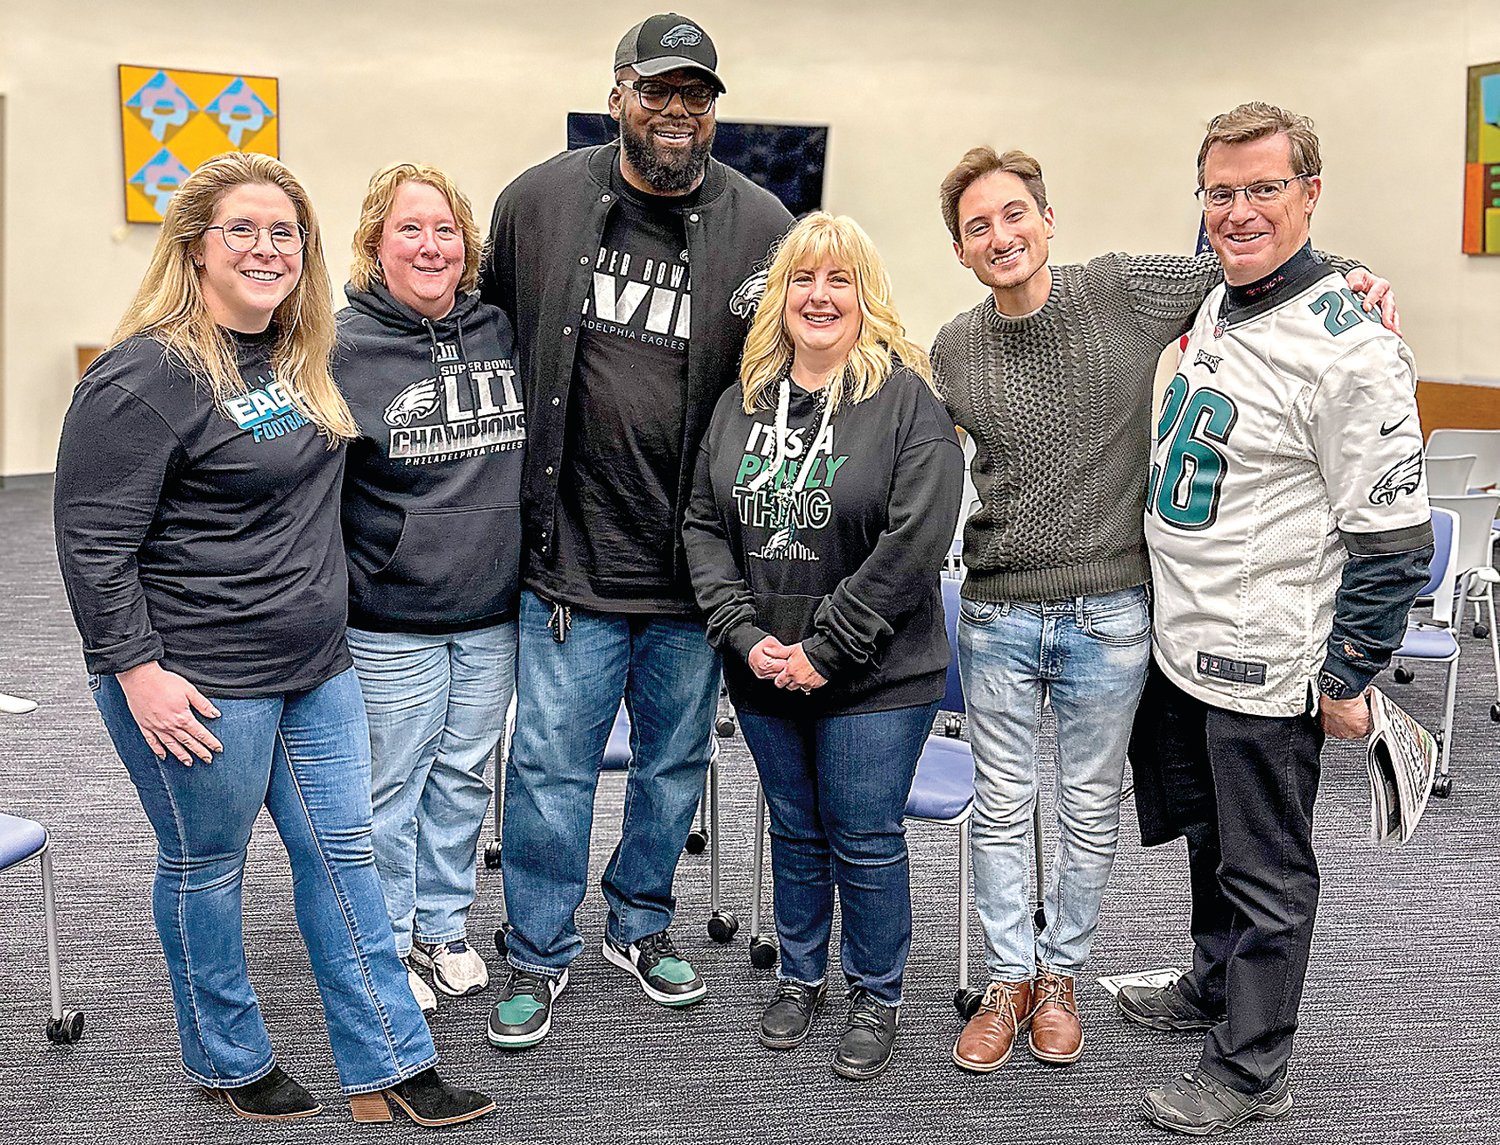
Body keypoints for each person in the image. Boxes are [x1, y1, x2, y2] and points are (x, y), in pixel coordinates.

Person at [931, 147, 1398, 1075]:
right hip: (997, 611)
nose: (1002, 236)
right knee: (999, 807)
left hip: (1111, 612)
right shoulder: (952, 347)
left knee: (1089, 805)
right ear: (960, 248)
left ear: (1047, 220)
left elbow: (1252, 258)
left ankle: (1061, 977)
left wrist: (1351, 273)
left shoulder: (1121, 290)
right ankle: (1007, 978)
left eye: (1015, 214)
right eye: (978, 226)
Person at [54, 151, 493, 1128]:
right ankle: (228, 1055)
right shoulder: (144, 377)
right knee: (206, 866)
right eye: (242, 230)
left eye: (284, 231)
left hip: (314, 668)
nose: (266, 247)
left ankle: (390, 1065)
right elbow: (91, 547)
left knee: (346, 859)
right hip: (199, 680)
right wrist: (138, 673)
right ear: (196, 248)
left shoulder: (296, 357)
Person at [478, 12, 791, 1048]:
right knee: (549, 767)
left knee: (672, 766)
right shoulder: (538, 200)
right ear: (617, 94)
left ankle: (642, 923)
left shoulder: (762, 227)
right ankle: (535, 945)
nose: (676, 111)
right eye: (657, 91)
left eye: (696, 95)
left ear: (712, 110)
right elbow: (480, 333)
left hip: (695, 573)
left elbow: (798, 373)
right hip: (568, 558)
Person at [1124, 102, 1431, 1136]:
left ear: (1309, 191)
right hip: (1185, 642)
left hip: (1269, 659)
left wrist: (1346, 677)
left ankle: (1255, 1066)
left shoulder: (1353, 348)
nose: (1239, 209)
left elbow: (1396, 538)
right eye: (1221, 190)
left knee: (1266, 867)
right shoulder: (1224, 295)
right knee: (1208, 841)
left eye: (1265, 188)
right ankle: (1213, 986)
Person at [684, 212, 963, 1080]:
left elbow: (917, 540)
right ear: (779, 297)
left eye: (838, 279)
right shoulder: (742, 402)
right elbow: (701, 523)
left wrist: (828, 647)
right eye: (802, 279)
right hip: (764, 666)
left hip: (878, 673)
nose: (819, 295)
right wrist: (744, 633)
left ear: (864, 295)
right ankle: (801, 977)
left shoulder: (906, 399)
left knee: (864, 833)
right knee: (798, 831)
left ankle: (875, 991)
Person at [338, 162, 524, 1013]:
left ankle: (443, 930)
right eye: (409, 229)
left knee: (462, 780)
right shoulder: (341, 346)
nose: (430, 244)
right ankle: (388, 943)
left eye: (445, 229)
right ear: (376, 246)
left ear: (467, 245)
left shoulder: (500, 328)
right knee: (392, 787)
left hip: (491, 612)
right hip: (392, 617)